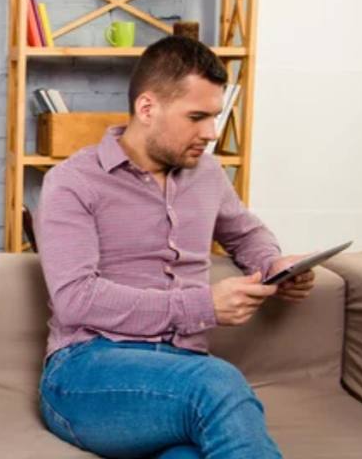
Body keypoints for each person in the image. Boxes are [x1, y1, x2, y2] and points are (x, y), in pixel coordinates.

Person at [36, 36, 316, 459]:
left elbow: (245, 234)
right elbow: (76, 299)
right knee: (216, 383)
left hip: (177, 370)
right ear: (147, 109)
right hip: (85, 371)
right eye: (197, 117)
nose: (211, 133)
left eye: (215, 117)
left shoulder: (207, 174)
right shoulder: (72, 182)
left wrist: (275, 264)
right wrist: (202, 306)